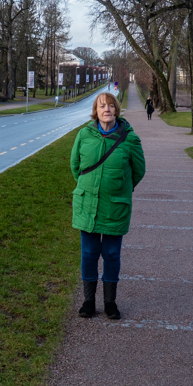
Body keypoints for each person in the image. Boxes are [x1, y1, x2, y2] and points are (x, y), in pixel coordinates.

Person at [70, 92, 146, 319]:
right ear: (96, 111)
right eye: (102, 106)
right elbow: (76, 166)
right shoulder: (84, 135)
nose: (107, 110)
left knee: (111, 254)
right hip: (88, 205)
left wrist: (120, 189)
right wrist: (89, 187)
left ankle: (110, 302)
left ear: (116, 110)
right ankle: (88, 301)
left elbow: (139, 170)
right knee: (89, 253)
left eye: (111, 106)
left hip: (115, 206)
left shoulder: (130, 139)